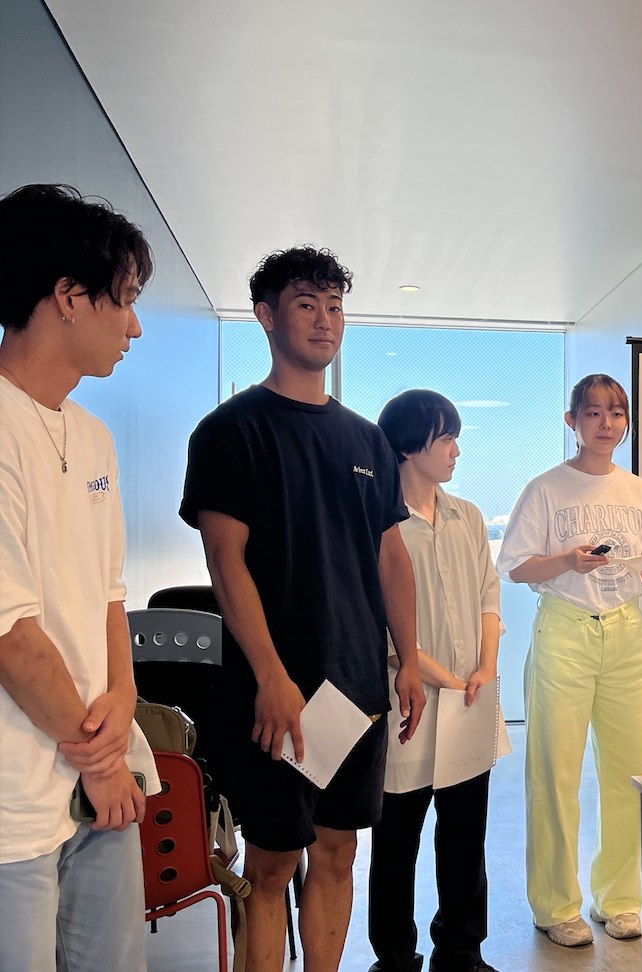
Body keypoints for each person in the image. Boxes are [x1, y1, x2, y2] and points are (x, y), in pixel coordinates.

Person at [179, 246, 425, 972]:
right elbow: (224, 561)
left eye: (335, 306)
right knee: (273, 862)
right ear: (266, 316)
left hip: (355, 687)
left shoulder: (366, 439)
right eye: (306, 304)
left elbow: (390, 557)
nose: (325, 320)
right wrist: (270, 675)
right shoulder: (231, 431)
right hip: (276, 690)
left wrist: (409, 660)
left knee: (339, 851)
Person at [0, 183, 160, 971]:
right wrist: (101, 763)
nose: (134, 326)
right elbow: (12, 636)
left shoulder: (93, 436)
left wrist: (123, 700)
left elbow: (108, 594)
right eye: (124, 300)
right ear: (68, 297)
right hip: (17, 798)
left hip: (101, 777)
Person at [495, 373, 642, 948]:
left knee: (631, 770)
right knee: (554, 772)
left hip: (626, 632)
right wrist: (567, 561)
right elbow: (516, 566)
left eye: (617, 412)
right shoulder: (546, 488)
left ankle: (620, 899)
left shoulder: (640, 491)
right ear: (572, 421)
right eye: (594, 412)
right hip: (564, 630)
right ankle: (556, 906)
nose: (607, 423)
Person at [368, 390, 505, 972]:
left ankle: (461, 950)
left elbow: (488, 596)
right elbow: (378, 622)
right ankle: (395, 956)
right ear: (408, 445)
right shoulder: (379, 521)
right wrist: (442, 676)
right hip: (410, 700)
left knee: (466, 835)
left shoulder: (466, 516)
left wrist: (485, 669)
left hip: (469, 699)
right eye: (445, 438)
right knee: (396, 840)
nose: (455, 450)